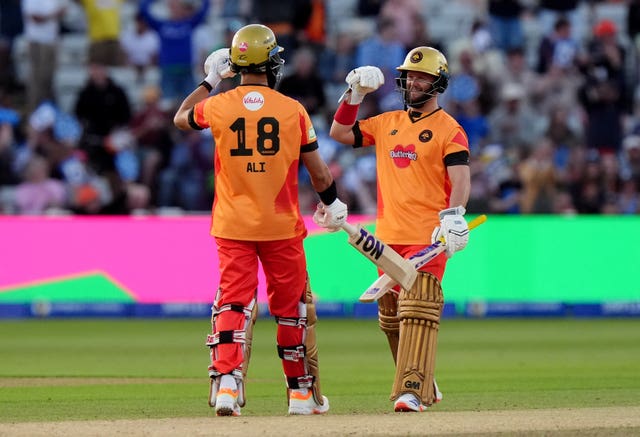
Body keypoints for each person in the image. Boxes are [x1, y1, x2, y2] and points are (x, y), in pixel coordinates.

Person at [173, 23, 347, 416]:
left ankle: (228, 387)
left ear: (236, 65)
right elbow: (319, 173)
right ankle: (301, 394)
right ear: (271, 63)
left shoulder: (218, 105)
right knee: (291, 310)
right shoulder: (293, 110)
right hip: (281, 225)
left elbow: (181, 118)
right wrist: (332, 202)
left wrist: (210, 80)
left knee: (233, 304)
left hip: (232, 225)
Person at [325, 46, 471, 412]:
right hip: (387, 237)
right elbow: (340, 132)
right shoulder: (387, 122)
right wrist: (354, 95)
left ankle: (411, 391)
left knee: (419, 309)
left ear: (437, 83)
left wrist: (454, 215)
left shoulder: (449, 129)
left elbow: (461, 178)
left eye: (422, 76)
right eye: (410, 75)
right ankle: (424, 380)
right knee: (392, 319)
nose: (414, 81)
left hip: (428, 239)